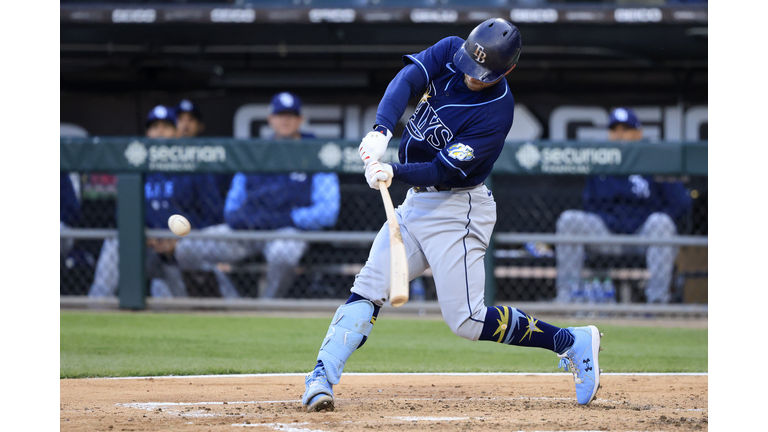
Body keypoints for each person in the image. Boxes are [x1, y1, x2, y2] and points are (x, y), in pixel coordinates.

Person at [301, 18, 602, 413]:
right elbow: (407, 79)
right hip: (416, 203)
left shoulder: (496, 113)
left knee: (467, 321)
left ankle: (570, 341)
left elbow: (444, 169)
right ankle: (321, 377)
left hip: (457, 210)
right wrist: (381, 130)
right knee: (369, 286)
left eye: (483, 74)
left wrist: (394, 171)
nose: (471, 76)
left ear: (507, 69)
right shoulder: (450, 50)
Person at [175, 92, 340, 299]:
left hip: (288, 230)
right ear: (271, 119)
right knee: (187, 248)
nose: (285, 120)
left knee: (283, 254)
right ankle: (231, 303)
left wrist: (287, 218)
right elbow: (231, 209)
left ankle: (266, 306)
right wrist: (248, 219)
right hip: (250, 231)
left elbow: (327, 212)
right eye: (280, 115)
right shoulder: (256, 151)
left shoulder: (316, 152)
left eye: (291, 115)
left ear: (300, 120)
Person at [555, 107, 692, 304]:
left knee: (661, 223)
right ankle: (567, 297)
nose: (619, 135)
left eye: (625, 129)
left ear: (638, 133)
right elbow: (589, 205)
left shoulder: (655, 158)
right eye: (614, 130)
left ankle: (658, 301)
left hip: (643, 235)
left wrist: (649, 218)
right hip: (607, 235)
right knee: (569, 220)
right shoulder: (601, 160)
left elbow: (680, 203)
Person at [88, 105, 225, 298]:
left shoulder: (195, 168)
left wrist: (183, 238)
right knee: (115, 242)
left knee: (172, 305)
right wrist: (140, 234)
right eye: (154, 127)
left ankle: (233, 310)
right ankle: (96, 306)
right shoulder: (138, 169)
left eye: (166, 126)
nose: (160, 131)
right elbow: (123, 215)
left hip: (181, 250)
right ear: (147, 133)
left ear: (176, 132)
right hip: (145, 248)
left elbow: (214, 216)